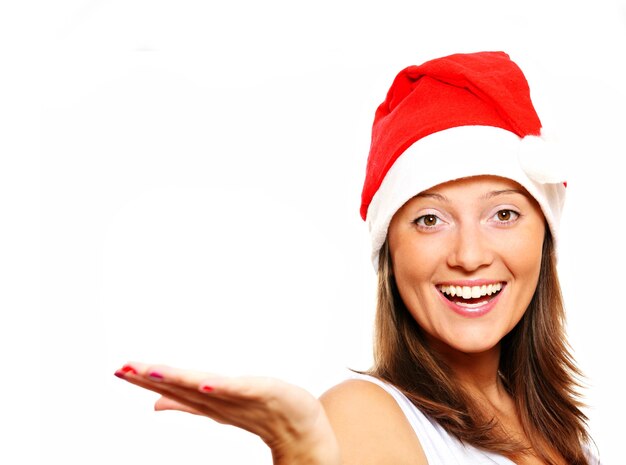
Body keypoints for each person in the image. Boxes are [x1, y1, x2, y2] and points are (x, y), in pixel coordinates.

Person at [114, 51, 599, 465]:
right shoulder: (364, 416)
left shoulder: (565, 431)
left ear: (544, 237)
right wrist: (303, 451)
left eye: (504, 214)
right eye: (430, 219)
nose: (469, 257)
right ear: (390, 250)